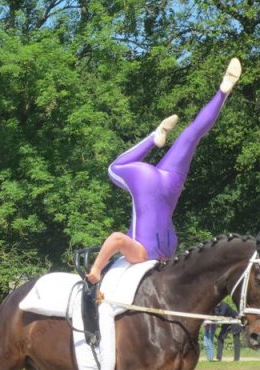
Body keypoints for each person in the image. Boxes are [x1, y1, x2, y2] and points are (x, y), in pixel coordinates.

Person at [86, 58, 242, 284]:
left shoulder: (143, 253)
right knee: (189, 136)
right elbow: (117, 241)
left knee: (190, 137)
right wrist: (98, 266)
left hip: (168, 188)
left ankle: (158, 135)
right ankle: (220, 93)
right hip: (161, 184)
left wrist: (96, 270)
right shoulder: (148, 253)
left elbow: (117, 239)